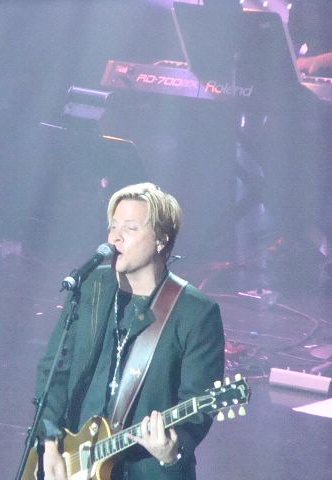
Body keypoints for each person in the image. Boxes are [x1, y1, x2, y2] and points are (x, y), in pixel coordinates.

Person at [35, 183, 225, 480]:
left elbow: (199, 405)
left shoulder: (195, 312)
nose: (115, 237)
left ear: (161, 239)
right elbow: (55, 371)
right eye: (113, 226)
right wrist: (49, 442)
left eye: (130, 228)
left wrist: (171, 451)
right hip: (73, 461)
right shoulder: (92, 288)